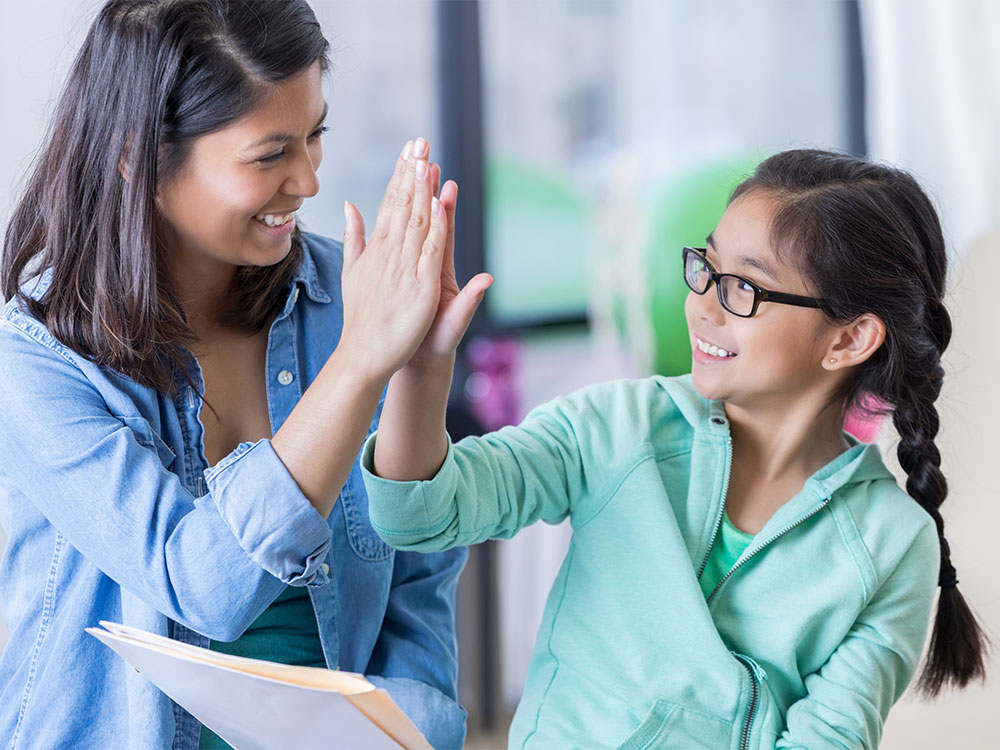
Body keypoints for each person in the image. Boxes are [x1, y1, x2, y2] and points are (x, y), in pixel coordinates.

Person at [362, 149, 989, 748]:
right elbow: (419, 516)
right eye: (706, 269)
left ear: (849, 340)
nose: (702, 307)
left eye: (744, 290)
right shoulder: (618, 425)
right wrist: (420, 365)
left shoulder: (891, 543)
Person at [0, 1, 488, 747]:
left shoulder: (350, 293)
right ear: (139, 154)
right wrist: (361, 363)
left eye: (316, 135)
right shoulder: (35, 354)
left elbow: (416, 569)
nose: (308, 181)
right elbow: (199, 584)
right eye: (269, 155)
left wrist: (419, 371)